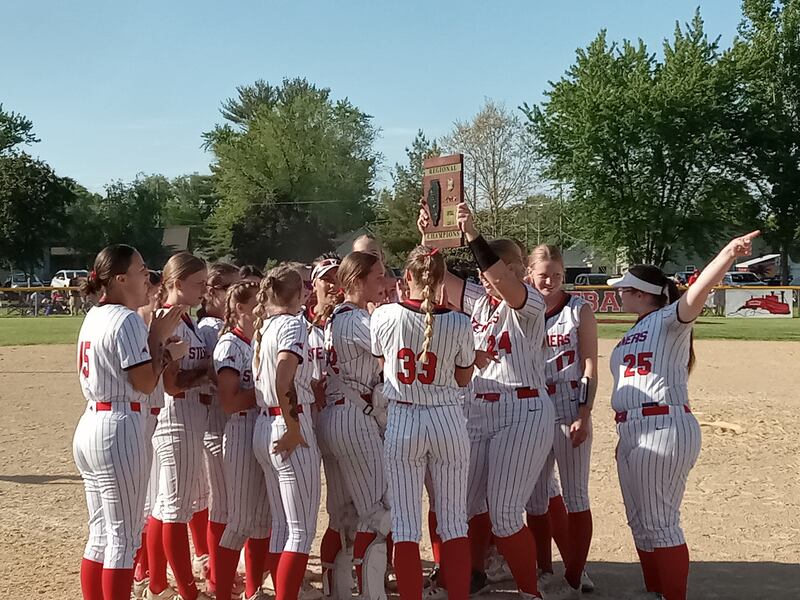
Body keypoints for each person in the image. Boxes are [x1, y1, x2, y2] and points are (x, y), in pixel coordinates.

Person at [607, 231, 759, 600]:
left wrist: (727, 254)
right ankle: (654, 591)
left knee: (661, 524)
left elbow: (698, 292)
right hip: (631, 429)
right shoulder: (635, 330)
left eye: (624, 289)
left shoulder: (668, 321)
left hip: (662, 425)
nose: (618, 293)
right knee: (642, 524)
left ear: (642, 293)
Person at [417, 201, 553, 600]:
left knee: (506, 512)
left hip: (522, 409)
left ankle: (530, 592)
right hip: (478, 409)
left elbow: (501, 280)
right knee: (458, 505)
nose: (484, 275)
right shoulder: (481, 302)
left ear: (517, 270)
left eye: (494, 268)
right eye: (482, 270)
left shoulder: (529, 303)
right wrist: (431, 240)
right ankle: (469, 575)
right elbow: (437, 277)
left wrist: (473, 235)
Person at [73, 244, 183, 600]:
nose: (147, 275)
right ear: (120, 279)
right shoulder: (125, 319)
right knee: (123, 537)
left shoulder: (95, 315)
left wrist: (155, 338)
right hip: (119, 426)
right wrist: (163, 347)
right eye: (139, 270)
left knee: (101, 534)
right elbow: (145, 382)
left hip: (92, 421)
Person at [371, 245, 475, 600]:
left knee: (404, 526)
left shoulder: (384, 316)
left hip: (404, 417)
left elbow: (380, 359)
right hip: (447, 417)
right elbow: (463, 378)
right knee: (454, 522)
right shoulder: (461, 321)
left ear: (408, 278)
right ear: (442, 278)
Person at [526, 245, 598, 599]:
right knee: (536, 498)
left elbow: (589, 365)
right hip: (536, 404)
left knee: (575, 494)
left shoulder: (577, 309)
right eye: (543, 275)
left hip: (570, 401)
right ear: (529, 274)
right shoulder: (523, 308)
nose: (550, 281)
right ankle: (543, 569)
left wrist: (584, 416)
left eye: (556, 275)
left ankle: (574, 573)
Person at [319, 251, 390, 600]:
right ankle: (371, 594)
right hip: (354, 419)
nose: (384, 281)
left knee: (342, 515)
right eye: (377, 276)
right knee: (377, 513)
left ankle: (339, 592)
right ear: (355, 282)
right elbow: (391, 353)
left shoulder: (335, 317)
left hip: (336, 416)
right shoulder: (358, 319)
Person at [252, 265, 322, 600]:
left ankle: (278, 591)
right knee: (300, 531)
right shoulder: (293, 323)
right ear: (296, 294)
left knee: (282, 526)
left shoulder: (265, 325)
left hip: (265, 424)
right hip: (287, 421)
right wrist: (294, 427)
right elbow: (284, 377)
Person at [147, 252, 214, 600]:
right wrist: (209, 374)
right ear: (176, 284)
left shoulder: (184, 320)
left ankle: (156, 584)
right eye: (198, 283)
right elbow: (172, 384)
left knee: (168, 505)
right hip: (175, 417)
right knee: (172, 507)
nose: (204, 288)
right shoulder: (167, 321)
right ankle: (185, 591)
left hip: (191, 418)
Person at [213, 280, 271, 600]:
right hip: (239, 430)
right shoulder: (229, 345)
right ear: (238, 309)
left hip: (259, 427)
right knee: (240, 522)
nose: (262, 310)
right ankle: (223, 593)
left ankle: (254, 591)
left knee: (263, 522)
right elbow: (230, 401)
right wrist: (267, 393)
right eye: (256, 306)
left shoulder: (256, 340)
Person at [196, 262, 242, 594]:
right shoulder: (212, 327)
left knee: (227, 505)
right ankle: (216, 574)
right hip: (217, 423)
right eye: (230, 287)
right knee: (223, 505)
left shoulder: (218, 325)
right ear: (212, 291)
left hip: (225, 424)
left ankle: (219, 570)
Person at [133, 270, 169, 598]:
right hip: (145, 415)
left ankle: (142, 569)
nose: (156, 296)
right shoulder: (141, 321)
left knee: (148, 499)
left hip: (154, 414)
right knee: (148, 501)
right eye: (153, 289)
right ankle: (142, 571)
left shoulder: (152, 319)